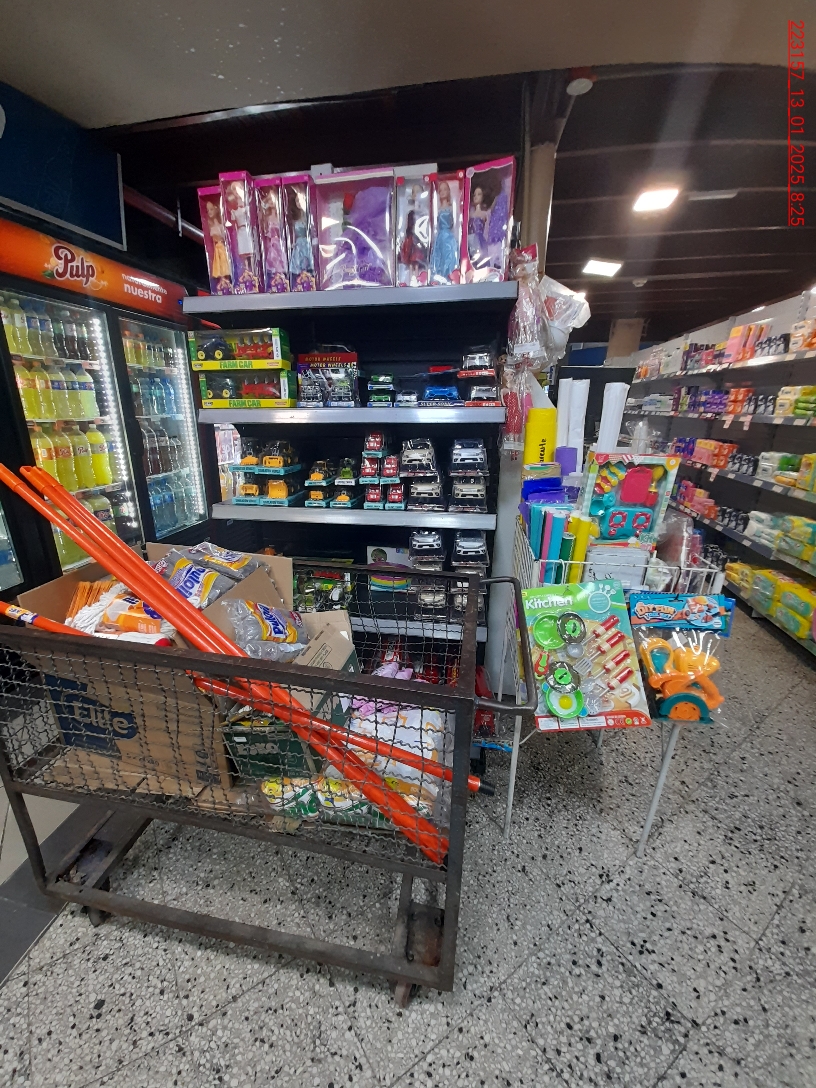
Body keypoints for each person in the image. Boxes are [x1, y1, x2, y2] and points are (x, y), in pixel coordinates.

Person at [430, 180, 459, 283]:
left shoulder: (452, 208)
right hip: (440, 236)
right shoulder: (437, 209)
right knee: (439, 257)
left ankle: (449, 277)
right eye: (440, 190)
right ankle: (440, 278)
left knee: (449, 257)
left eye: (445, 189)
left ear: (448, 191)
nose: (442, 192)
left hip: (449, 237)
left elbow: (454, 223)